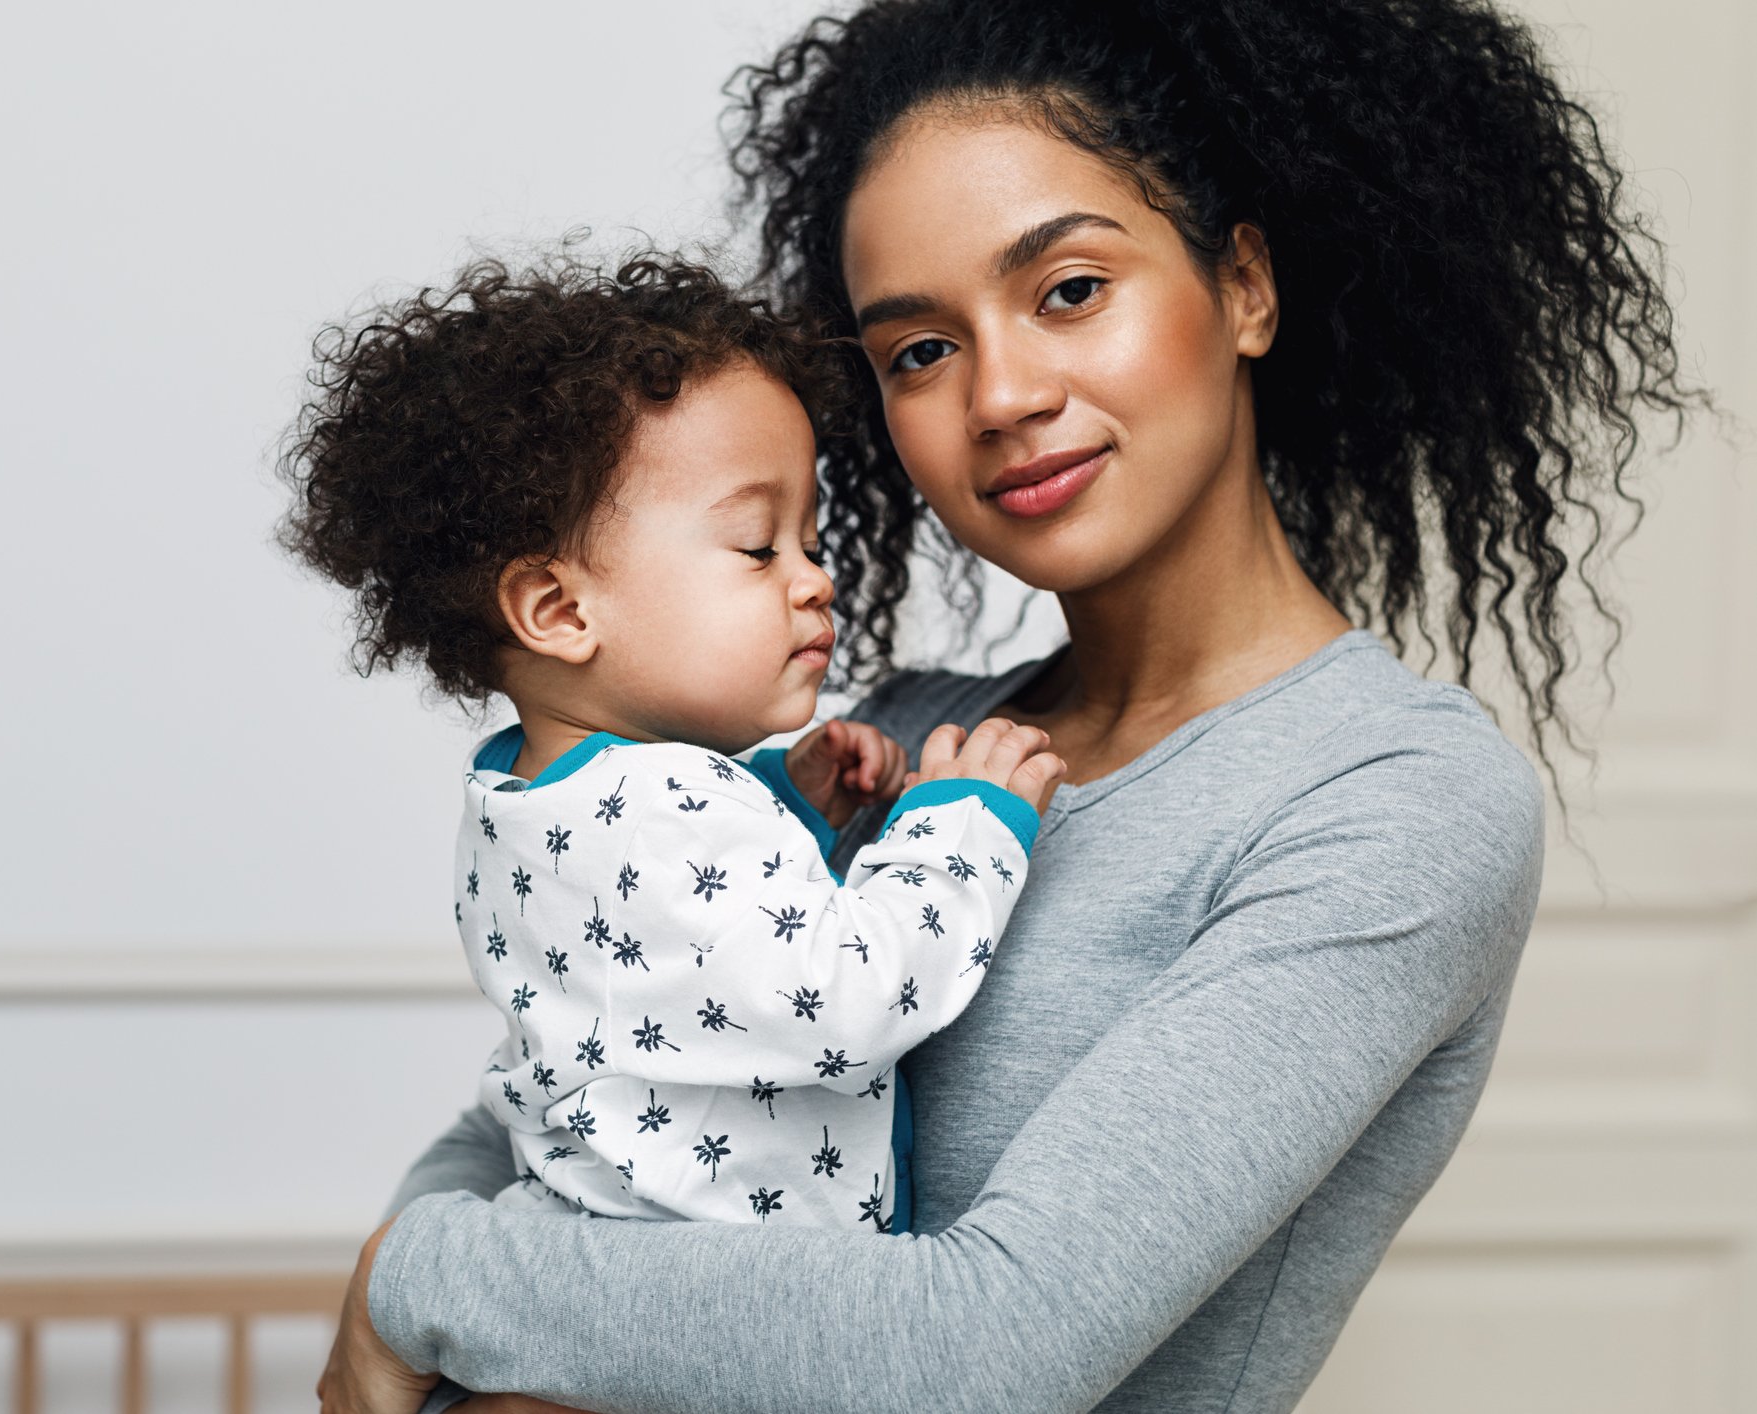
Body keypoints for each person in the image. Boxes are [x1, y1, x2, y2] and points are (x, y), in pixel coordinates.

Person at [318, 2, 1704, 1410]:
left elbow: (981, 1351)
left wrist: (420, 1281)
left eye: (1068, 290)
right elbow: (567, 1098)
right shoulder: (884, 743)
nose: (1002, 394)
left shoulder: (1386, 801)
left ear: (1242, 287)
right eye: (919, 350)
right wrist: (454, 1256)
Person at [278, 256, 1065, 1236]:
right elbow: (845, 1005)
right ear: (561, 609)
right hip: (738, 1318)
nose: (816, 580)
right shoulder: (670, 814)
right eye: (755, 546)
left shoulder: (516, 799)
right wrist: (960, 827)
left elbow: (671, 953)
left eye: (812, 543)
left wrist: (781, 789)